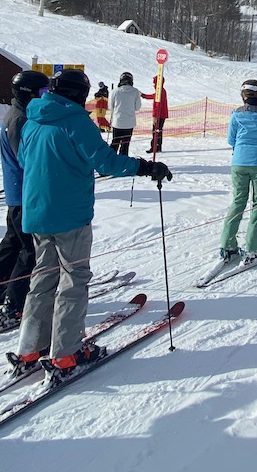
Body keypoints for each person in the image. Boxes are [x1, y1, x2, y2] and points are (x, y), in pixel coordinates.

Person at [11, 69, 171, 383]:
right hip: (69, 214)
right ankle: (67, 353)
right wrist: (145, 166)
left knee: (43, 278)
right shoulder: (75, 121)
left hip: (37, 212)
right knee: (73, 280)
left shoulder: (32, 120)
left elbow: (24, 161)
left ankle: (30, 348)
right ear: (77, 94)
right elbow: (106, 162)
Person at [0, 70, 49, 323]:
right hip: (24, 192)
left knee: (12, 242)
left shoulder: (18, 113)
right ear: (29, 93)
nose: (44, 97)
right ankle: (15, 303)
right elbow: (27, 160)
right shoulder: (20, 120)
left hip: (18, 191)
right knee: (29, 249)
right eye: (42, 92)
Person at [215, 79, 257, 269]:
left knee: (238, 201)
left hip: (239, 162)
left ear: (243, 95)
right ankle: (253, 247)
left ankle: (228, 244)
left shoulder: (236, 114)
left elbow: (230, 139)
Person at [108, 72, 142, 155]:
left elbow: (110, 107)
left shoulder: (115, 91)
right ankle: (123, 162)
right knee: (125, 145)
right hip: (129, 123)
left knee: (115, 142)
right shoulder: (135, 91)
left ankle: (111, 161)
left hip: (117, 122)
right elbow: (137, 107)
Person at [144, 75, 169, 153]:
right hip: (162, 114)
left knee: (156, 131)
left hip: (159, 115)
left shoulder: (160, 91)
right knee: (158, 131)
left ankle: (155, 147)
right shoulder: (161, 90)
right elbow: (154, 96)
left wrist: (155, 116)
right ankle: (158, 147)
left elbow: (158, 105)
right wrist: (143, 95)